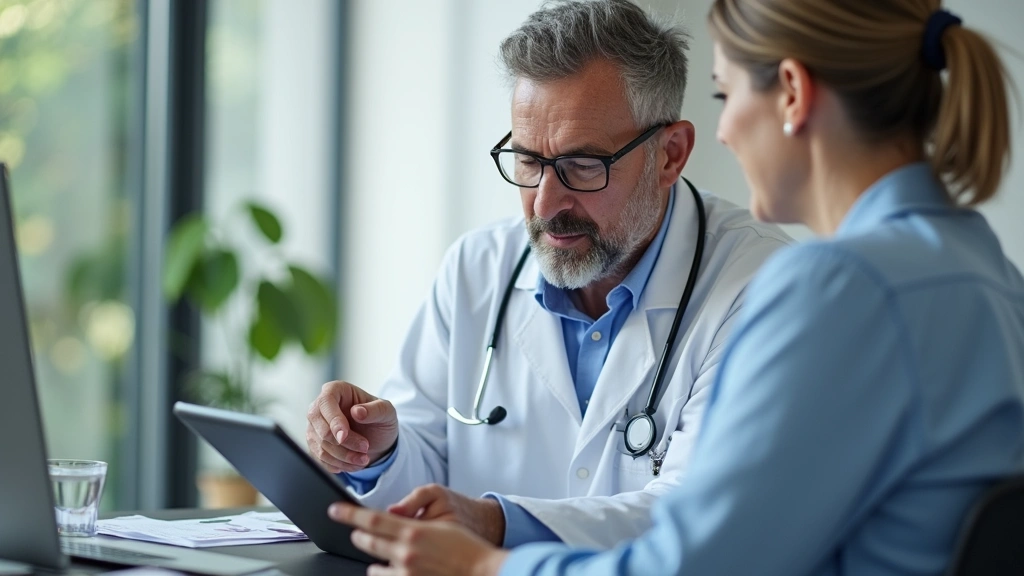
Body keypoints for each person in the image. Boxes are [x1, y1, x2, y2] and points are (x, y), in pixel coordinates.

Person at [326, 0, 1024, 574]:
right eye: (530, 163)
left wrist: (485, 567)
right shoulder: (986, 269)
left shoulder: (836, 290)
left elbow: (700, 560)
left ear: (790, 94)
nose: (726, 130)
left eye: (725, 94)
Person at [305, 0, 789, 550]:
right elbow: (421, 479)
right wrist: (377, 449)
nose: (544, 203)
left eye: (583, 165)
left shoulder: (762, 286)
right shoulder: (475, 269)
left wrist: (496, 524)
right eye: (529, 161)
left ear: (670, 155)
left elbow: (701, 513)